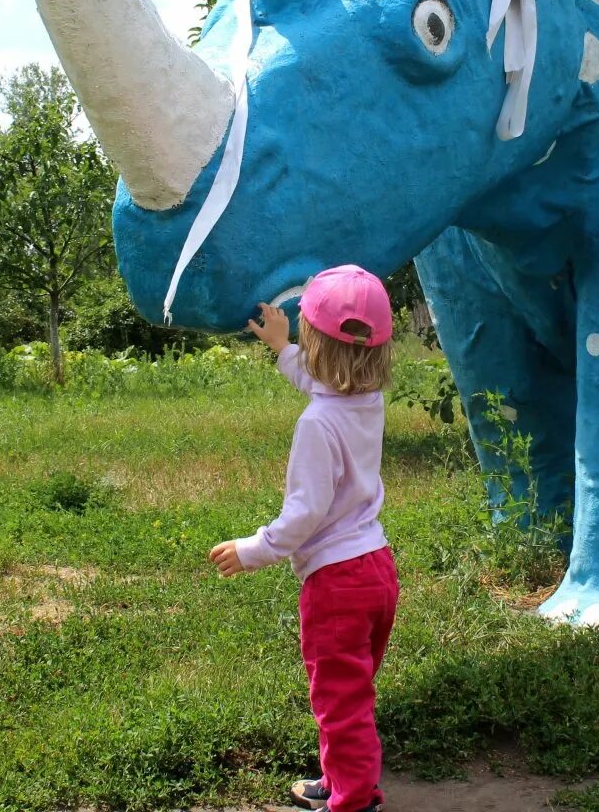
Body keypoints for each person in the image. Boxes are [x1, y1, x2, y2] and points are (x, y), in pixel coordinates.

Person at [208, 264, 400, 812]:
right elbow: (323, 379)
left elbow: (305, 515)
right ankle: (342, 779)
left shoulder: (317, 425)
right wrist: (281, 348)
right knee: (350, 694)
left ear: (315, 339)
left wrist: (253, 550)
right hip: (376, 570)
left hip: (337, 585)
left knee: (342, 704)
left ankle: (353, 800)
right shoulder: (366, 399)